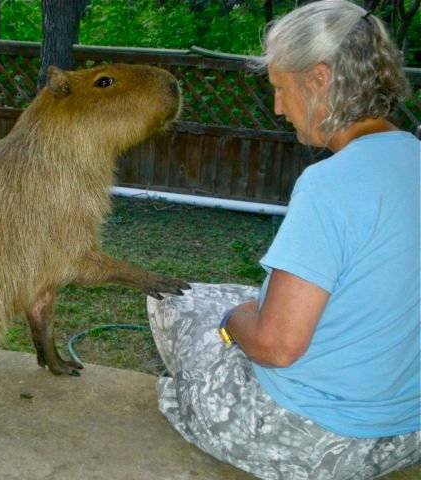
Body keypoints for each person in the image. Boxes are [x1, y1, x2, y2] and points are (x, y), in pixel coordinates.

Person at [147, 1, 420, 479]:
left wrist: (234, 322)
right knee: (235, 300)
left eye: (280, 88)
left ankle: (191, 400)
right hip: (405, 435)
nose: (277, 107)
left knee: (182, 303)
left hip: (316, 442)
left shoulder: (330, 183)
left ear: (318, 79)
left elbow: (277, 345)